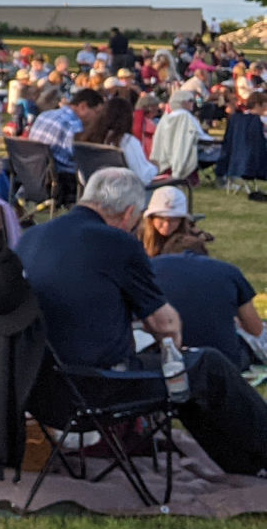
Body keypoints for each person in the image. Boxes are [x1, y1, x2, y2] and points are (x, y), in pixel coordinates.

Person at [19, 168, 267, 475]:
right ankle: (256, 454)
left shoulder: (30, 237)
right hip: (94, 388)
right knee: (205, 367)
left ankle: (246, 464)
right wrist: (172, 347)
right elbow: (164, 324)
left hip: (38, 388)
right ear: (129, 214)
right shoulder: (116, 242)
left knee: (184, 377)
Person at [151, 251, 264, 371]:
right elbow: (255, 329)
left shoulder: (147, 271)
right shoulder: (228, 271)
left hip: (164, 360)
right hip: (224, 361)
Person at [138, 185, 212, 257]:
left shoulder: (192, 246)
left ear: (181, 220)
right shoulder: (137, 239)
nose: (166, 224)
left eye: (173, 219)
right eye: (161, 218)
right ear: (151, 218)